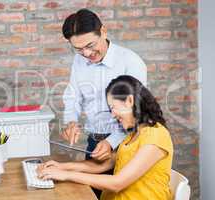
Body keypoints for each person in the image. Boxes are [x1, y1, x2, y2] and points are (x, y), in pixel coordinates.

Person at [38, 75, 173, 200]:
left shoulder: (155, 136)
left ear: (130, 101)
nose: (113, 115)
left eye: (113, 107)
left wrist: (66, 175)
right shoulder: (132, 135)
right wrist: (62, 167)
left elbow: (117, 183)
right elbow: (103, 165)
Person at [60, 8, 147, 162]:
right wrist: (70, 121)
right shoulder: (79, 61)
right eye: (79, 49)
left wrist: (111, 142)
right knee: (89, 187)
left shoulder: (130, 62)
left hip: (127, 140)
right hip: (94, 141)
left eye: (90, 45)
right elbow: (73, 96)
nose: (86, 54)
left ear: (103, 31)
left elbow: (136, 112)